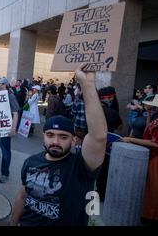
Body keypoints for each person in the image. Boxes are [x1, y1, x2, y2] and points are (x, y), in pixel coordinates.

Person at [9, 65, 107, 226]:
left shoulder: (81, 167)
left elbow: (99, 137)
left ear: (74, 140)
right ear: (43, 137)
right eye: (50, 135)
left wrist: (87, 84)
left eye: (63, 137)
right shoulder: (30, 162)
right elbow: (22, 195)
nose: (55, 141)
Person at [122, 94, 158, 225]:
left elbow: (155, 143)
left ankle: (153, 218)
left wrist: (130, 139)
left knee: (154, 190)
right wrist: (148, 114)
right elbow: (149, 130)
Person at [0, 77, 19, 183]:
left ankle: (5, 173)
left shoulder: (10, 96)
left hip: (5, 129)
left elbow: (15, 113)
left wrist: (13, 129)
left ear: (5, 85)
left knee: (5, 151)